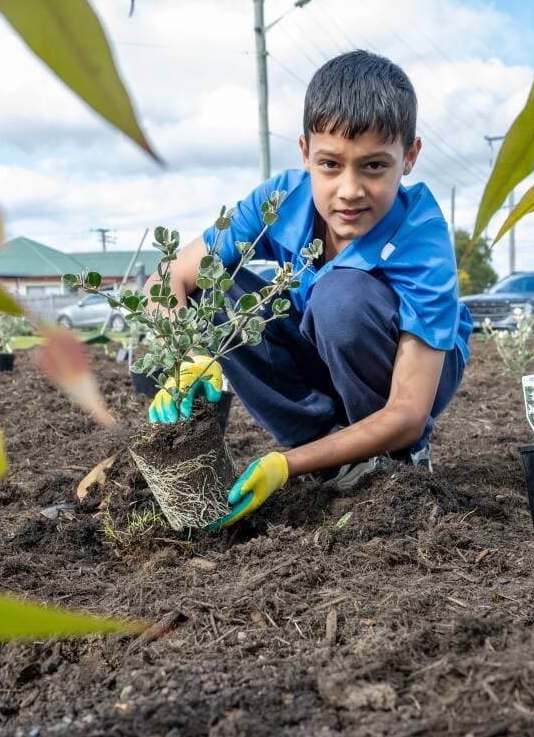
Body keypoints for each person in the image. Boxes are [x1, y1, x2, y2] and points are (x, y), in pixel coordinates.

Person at [147, 50, 470, 529]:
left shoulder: (421, 238)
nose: (349, 190)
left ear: (410, 157)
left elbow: (407, 411)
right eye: (330, 165)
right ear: (305, 153)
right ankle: (328, 450)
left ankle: (395, 463)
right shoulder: (280, 201)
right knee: (219, 290)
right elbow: (170, 276)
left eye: (375, 166)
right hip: (318, 346)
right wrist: (186, 360)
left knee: (341, 298)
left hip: (404, 377)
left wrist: (285, 466)